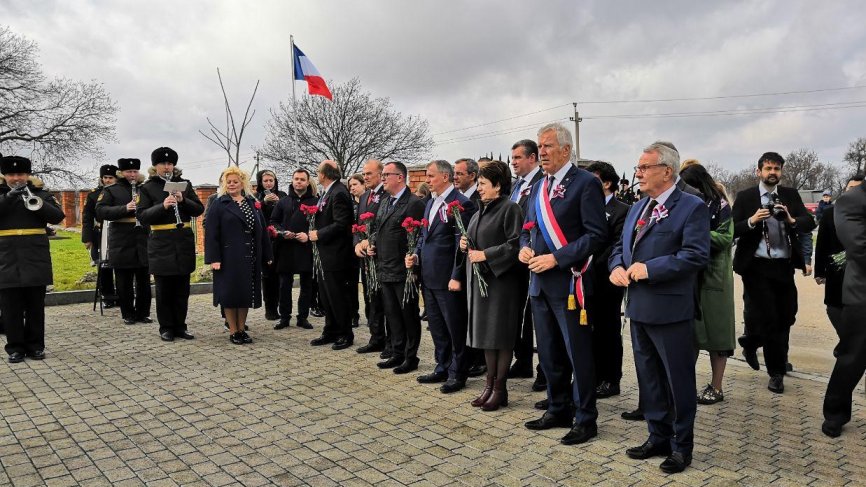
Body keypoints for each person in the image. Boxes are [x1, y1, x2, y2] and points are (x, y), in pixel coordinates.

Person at [609, 141, 710, 473]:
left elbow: (695, 254)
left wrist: (651, 269)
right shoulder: (638, 207)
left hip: (670, 311)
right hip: (637, 308)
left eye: (643, 168)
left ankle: (682, 446)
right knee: (649, 378)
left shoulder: (691, 207)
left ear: (666, 171)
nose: (637, 174)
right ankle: (657, 435)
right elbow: (620, 248)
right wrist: (616, 267)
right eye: (637, 168)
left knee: (677, 380)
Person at [519, 123, 607, 446]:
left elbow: (597, 235)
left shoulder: (585, 184)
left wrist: (557, 259)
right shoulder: (539, 187)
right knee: (549, 353)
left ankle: (586, 419)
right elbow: (527, 228)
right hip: (539, 284)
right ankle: (558, 408)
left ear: (566, 150)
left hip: (570, 285)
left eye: (547, 146)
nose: (541, 151)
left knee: (577, 353)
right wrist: (523, 247)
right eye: (539, 146)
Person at [732, 151, 815, 393]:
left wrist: (791, 219)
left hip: (784, 266)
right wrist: (752, 220)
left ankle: (750, 342)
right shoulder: (746, 197)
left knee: (787, 315)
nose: (772, 173)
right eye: (768, 168)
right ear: (758, 171)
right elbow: (732, 230)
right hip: (756, 266)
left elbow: (809, 222)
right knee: (769, 318)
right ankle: (776, 372)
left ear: (781, 172)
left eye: (777, 169)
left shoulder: (789, 195)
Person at [458, 160, 523, 411]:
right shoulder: (478, 211)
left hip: (501, 284)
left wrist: (486, 255)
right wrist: (464, 245)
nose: (479, 188)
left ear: (498, 185)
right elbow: (474, 242)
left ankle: (500, 389)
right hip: (481, 283)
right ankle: (488, 385)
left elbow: (516, 244)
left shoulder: (510, 209)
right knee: (487, 336)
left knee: (501, 336)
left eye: (483, 184)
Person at [408, 160, 476, 393]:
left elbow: (462, 243)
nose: (427, 180)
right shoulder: (430, 203)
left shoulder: (461, 204)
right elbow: (423, 236)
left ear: (445, 177)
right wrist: (416, 256)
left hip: (448, 278)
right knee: (437, 326)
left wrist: (457, 274)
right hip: (428, 276)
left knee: (454, 326)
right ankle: (443, 365)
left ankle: (458, 372)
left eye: (431, 175)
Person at [357, 161, 425, 373]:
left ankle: (410, 356)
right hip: (384, 267)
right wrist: (371, 243)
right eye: (383, 174)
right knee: (392, 314)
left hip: (403, 269)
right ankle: (397, 353)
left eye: (387, 174)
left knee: (408, 315)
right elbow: (378, 228)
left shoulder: (413, 203)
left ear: (400, 177)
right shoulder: (386, 201)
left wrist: (413, 265)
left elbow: (417, 236)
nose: (383, 178)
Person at [0, 155, 66, 363]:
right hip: (6, 255)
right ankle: (15, 348)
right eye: (11, 174)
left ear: (28, 175)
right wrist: (9, 197)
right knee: (11, 306)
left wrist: (37, 204)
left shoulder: (41, 193)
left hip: (35, 255)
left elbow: (57, 216)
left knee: (35, 305)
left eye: (20, 174)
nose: (16, 178)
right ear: (4, 176)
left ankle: (36, 346)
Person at [680, 163, 736, 405]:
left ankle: (717, 386)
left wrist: (694, 232)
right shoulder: (683, 205)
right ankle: (682, 384)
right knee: (688, 334)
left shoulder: (720, 206)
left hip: (714, 278)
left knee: (717, 335)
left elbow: (725, 237)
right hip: (689, 276)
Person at [136, 147, 204, 342]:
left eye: (170, 164)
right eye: (162, 164)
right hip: (161, 242)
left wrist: (183, 201)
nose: (167, 167)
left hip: (182, 240)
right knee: (164, 289)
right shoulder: (147, 188)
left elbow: (199, 209)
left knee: (182, 289)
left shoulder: (185, 184)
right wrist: (162, 206)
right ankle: (166, 327)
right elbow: (142, 216)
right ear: (155, 166)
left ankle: (180, 326)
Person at [821, 172, 866, 438]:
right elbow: (859, 248)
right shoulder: (852, 201)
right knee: (852, 357)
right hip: (862, 295)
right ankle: (835, 413)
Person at [206, 167, 272, 344]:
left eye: (235, 181)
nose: (232, 184)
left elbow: (262, 230)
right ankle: (233, 330)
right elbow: (212, 233)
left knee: (245, 293)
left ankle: (242, 328)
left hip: (250, 256)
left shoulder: (252, 202)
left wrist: (267, 253)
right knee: (229, 294)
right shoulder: (219, 204)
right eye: (229, 182)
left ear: (243, 183)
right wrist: (214, 258)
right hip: (228, 257)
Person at [585, 161, 630, 399]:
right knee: (588, 331)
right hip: (583, 278)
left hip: (606, 279)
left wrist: (589, 262)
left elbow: (617, 245)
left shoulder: (621, 210)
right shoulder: (585, 206)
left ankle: (611, 379)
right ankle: (592, 376)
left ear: (606, 183)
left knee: (607, 330)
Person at [96, 158, 152, 325]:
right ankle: (127, 313)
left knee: (143, 279)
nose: (132, 175)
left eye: (135, 171)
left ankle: (143, 313)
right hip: (121, 238)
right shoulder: (112, 190)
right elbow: (100, 210)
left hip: (142, 237)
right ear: (121, 173)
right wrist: (125, 208)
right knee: (124, 280)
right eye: (129, 172)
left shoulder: (144, 189)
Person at [508, 139, 545, 386]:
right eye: (512, 159)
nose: (513, 163)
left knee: (538, 319)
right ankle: (522, 362)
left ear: (532, 158)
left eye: (518, 158)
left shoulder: (542, 184)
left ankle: (545, 370)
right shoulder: (515, 186)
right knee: (518, 315)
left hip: (537, 260)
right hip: (515, 259)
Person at [308, 160, 356, 350]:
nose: (317, 174)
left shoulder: (339, 193)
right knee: (326, 296)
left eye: (318, 171)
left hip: (336, 254)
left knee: (337, 295)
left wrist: (319, 234)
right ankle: (330, 330)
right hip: (324, 253)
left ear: (324, 174)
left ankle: (345, 333)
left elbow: (341, 223)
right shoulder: (327, 192)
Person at [815, 174, 864, 356]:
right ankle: (847, 340)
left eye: (858, 189)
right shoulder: (831, 213)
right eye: (850, 188)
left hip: (859, 270)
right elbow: (821, 244)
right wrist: (819, 271)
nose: (853, 192)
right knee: (834, 307)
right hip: (836, 269)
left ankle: (849, 344)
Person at [270, 169, 317, 330]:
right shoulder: (283, 202)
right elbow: (273, 222)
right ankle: (284, 317)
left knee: (306, 285)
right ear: (292, 180)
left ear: (307, 182)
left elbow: (320, 225)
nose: (299, 182)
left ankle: (302, 317)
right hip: (286, 248)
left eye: (302, 179)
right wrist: (282, 233)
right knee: (284, 285)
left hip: (306, 247)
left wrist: (309, 235)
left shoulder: (315, 201)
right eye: (296, 179)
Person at [355, 160, 389, 355]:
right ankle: (375, 337)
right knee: (370, 298)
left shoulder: (386, 196)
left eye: (369, 173)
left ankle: (389, 341)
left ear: (380, 174)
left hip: (380, 255)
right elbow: (357, 225)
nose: (365, 177)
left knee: (383, 300)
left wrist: (371, 241)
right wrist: (357, 244)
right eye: (364, 173)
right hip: (364, 256)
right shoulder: (365, 196)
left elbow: (382, 225)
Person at [82, 164, 118, 308]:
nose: (108, 180)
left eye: (111, 177)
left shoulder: (122, 192)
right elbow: (87, 217)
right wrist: (87, 238)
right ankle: (107, 296)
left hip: (119, 232)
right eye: (105, 178)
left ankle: (121, 295)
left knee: (121, 266)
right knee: (104, 266)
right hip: (100, 233)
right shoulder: (94, 195)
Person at [255, 170, 287, 321]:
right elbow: (254, 214)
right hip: (265, 241)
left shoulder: (282, 195)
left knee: (282, 275)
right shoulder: (256, 197)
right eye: (265, 181)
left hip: (281, 240)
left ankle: (283, 307)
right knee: (268, 277)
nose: (269, 183)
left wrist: (279, 203)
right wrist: (263, 203)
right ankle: (270, 308)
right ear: (261, 182)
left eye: (271, 180)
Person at [346, 173, 365, 328]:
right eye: (350, 186)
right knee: (351, 283)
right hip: (352, 247)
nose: (352, 188)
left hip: (367, 248)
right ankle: (353, 314)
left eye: (355, 184)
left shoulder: (370, 203)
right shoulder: (349, 205)